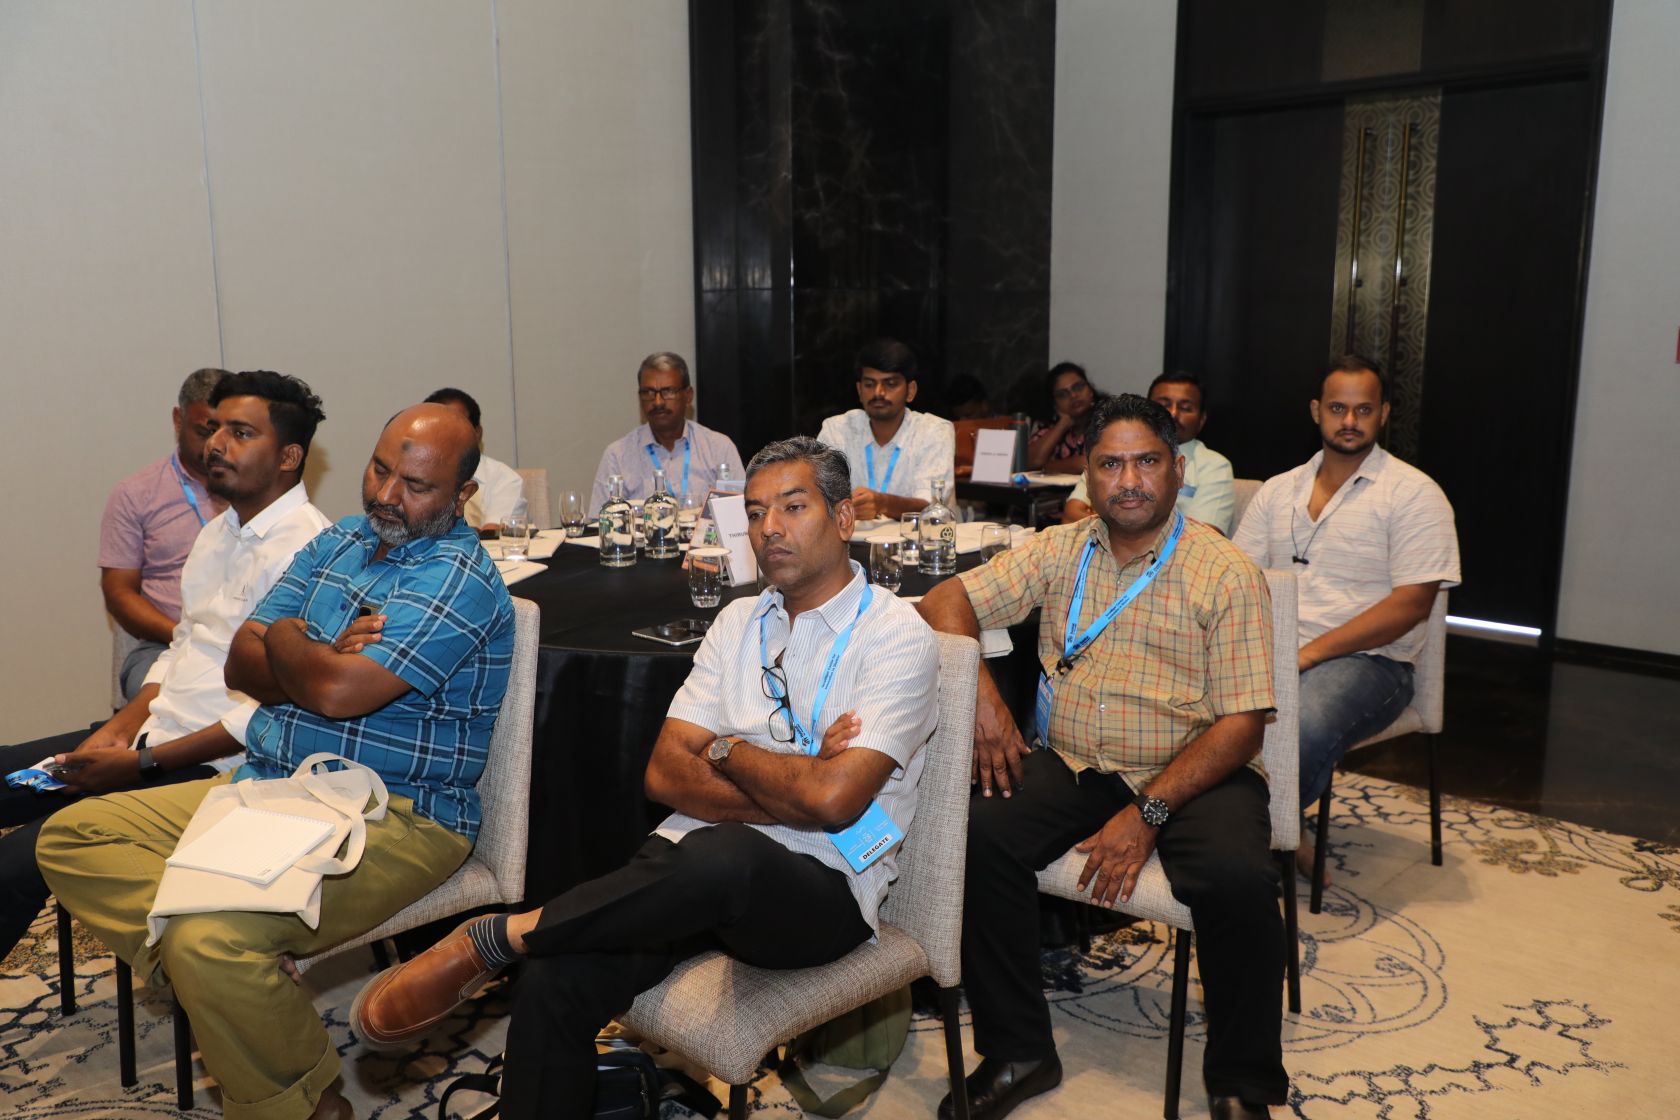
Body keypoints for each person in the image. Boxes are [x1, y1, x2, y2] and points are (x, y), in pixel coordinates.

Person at [347, 436, 939, 1118]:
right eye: (754, 512)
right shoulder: (737, 621)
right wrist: (792, 782)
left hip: (821, 889)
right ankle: (531, 960)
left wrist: (725, 750)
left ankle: (502, 935)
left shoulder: (895, 634)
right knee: (555, 979)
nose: (769, 527)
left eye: (793, 507)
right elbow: (663, 774)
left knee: (726, 854)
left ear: (844, 518)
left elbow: (833, 802)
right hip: (687, 873)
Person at [40, 402, 515, 1120]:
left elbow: (335, 693)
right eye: (380, 469)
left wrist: (291, 638)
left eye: (416, 486)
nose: (387, 494)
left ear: (462, 494)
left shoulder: (457, 577)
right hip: (270, 785)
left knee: (210, 939)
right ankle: (231, 984)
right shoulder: (341, 539)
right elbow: (240, 664)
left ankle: (308, 1102)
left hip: (396, 812)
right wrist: (320, 652)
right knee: (73, 837)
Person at [918, 393, 1286, 1120]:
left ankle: (1242, 1084)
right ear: (1085, 474)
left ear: (1177, 470)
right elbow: (945, 601)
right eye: (1110, 465)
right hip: (1079, 760)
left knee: (1239, 879)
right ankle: (1020, 1050)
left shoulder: (1226, 571)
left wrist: (1147, 814)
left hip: (1197, 768)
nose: (1129, 481)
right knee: (974, 834)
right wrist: (986, 700)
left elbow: (1243, 727)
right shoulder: (1061, 549)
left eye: (1146, 462)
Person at [0, 371, 331, 958]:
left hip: (220, 769)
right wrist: (120, 728)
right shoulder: (218, 534)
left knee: (17, 862)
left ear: (288, 457)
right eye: (216, 428)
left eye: (240, 432)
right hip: (154, 736)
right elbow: (183, 647)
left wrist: (141, 763)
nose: (217, 444)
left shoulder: (313, 554)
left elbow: (269, 716)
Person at [1232, 356, 1459, 882]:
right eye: (1338, 408)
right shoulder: (1278, 490)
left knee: (1296, 729)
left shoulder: (1414, 494)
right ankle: (1275, 830)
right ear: (1317, 411)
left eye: (1363, 409)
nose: (1350, 421)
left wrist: (1309, 654)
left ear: (1384, 413)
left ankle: (1251, 849)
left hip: (1371, 662)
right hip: (1274, 650)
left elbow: (1411, 605)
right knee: (1180, 705)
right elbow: (1240, 578)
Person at [100, 368, 231, 699]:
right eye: (206, 431)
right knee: (176, 702)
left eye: (230, 432)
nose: (216, 445)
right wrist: (183, 634)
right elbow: (118, 592)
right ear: (178, 420)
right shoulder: (136, 495)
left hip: (243, 640)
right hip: (167, 643)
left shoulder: (252, 487)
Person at [1062, 371, 1236, 533]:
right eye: (1164, 405)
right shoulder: (1111, 452)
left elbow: (1202, 537)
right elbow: (1070, 517)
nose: (1173, 413)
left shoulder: (1214, 466)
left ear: (1201, 420)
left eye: (1185, 407)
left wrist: (1112, 523)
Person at [816, 337, 956, 520]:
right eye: (869, 384)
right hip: (854, 537)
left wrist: (883, 504)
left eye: (890, 384)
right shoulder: (837, 430)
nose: (878, 393)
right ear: (859, 390)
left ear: (911, 390)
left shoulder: (934, 431)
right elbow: (819, 495)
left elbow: (932, 506)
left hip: (915, 537)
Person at [589, 351, 744, 512]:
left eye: (668, 391)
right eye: (649, 393)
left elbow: (741, 514)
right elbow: (600, 521)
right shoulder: (617, 456)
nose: (658, 402)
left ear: (688, 396)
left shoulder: (719, 449)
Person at [425, 387, 526, 531]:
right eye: (435, 428)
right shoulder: (407, 478)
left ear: (477, 433)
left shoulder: (504, 478)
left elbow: (493, 535)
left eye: (455, 428)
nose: (445, 436)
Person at [1024, 362, 1098, 474]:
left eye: (1078, 387)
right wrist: (1062, 424)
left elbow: (1089, 463)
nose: (1073, 395)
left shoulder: (1107, 420)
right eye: (1063, 394)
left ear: (1090, 391)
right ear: (1054, 404)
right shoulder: (1048, 427)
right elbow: (1030, 462)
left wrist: (1046, 467)